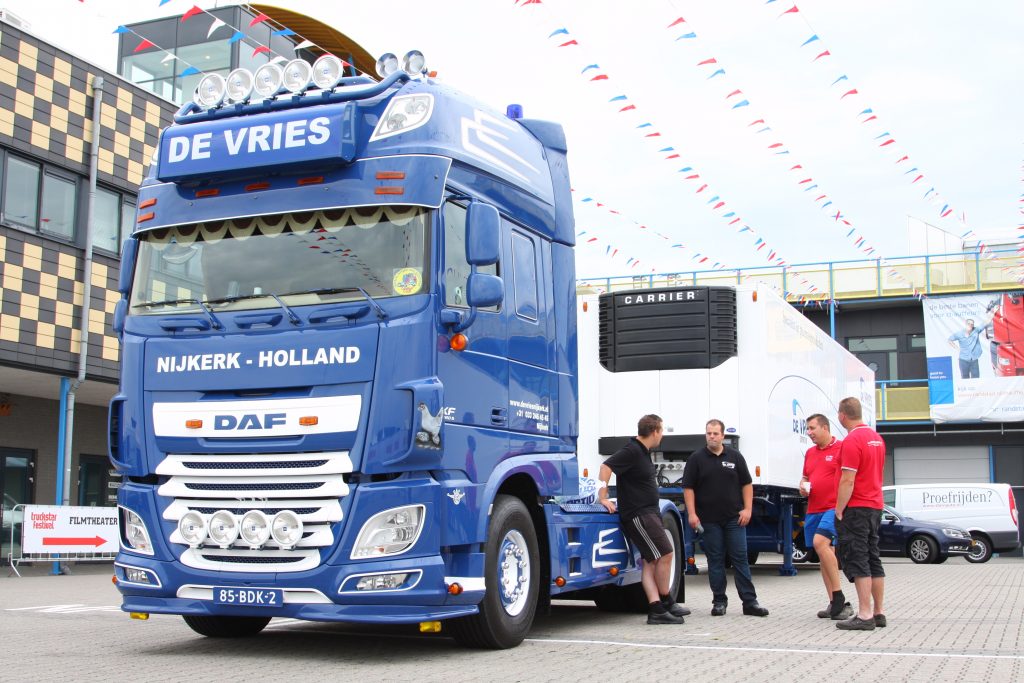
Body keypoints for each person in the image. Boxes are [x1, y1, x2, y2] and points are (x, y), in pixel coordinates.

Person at [598, 414, 689, 625]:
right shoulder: (631, 450)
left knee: (651, 561)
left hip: (649, 512)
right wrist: (602, 496)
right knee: (666, 553)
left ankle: (660, 606)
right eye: (662, 431)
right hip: (638, 514)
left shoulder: (642, 452)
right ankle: (663, 603)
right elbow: (605, 467)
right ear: (655, 431)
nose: (662, 435)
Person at [681, 419, 769, 617]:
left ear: (723, 436)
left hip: (734, 519)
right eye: (708, 433)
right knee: (716, 561)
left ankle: (750, 602)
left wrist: (748, 509)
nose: (711, 436)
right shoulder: (696, 458)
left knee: (740, 559)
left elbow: (747, 484)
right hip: (709, 520)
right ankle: (719, 601)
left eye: (715, 433)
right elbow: (688, 488)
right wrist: (692, 514)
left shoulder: (735, 457)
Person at [834, 397, 887, 631]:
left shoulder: (852, 440)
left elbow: (848, 480)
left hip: (857, 507)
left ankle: (864, 615)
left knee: (859, 558)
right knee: (873, 557)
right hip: (876, 505)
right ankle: (878, 612)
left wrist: (839, 508)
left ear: (842, 416)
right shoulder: (877, 439)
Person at [799, 413, 851, 621]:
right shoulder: (810, 453)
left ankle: (839, 596)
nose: (809, 433)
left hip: (833, 507)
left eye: (812, 428)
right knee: (823, 553)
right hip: (813, 508)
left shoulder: (841, 448)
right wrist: (802, 486)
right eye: (807, 430)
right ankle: (835, 604)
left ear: (825, 428)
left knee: (820, 542)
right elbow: (805, 476)